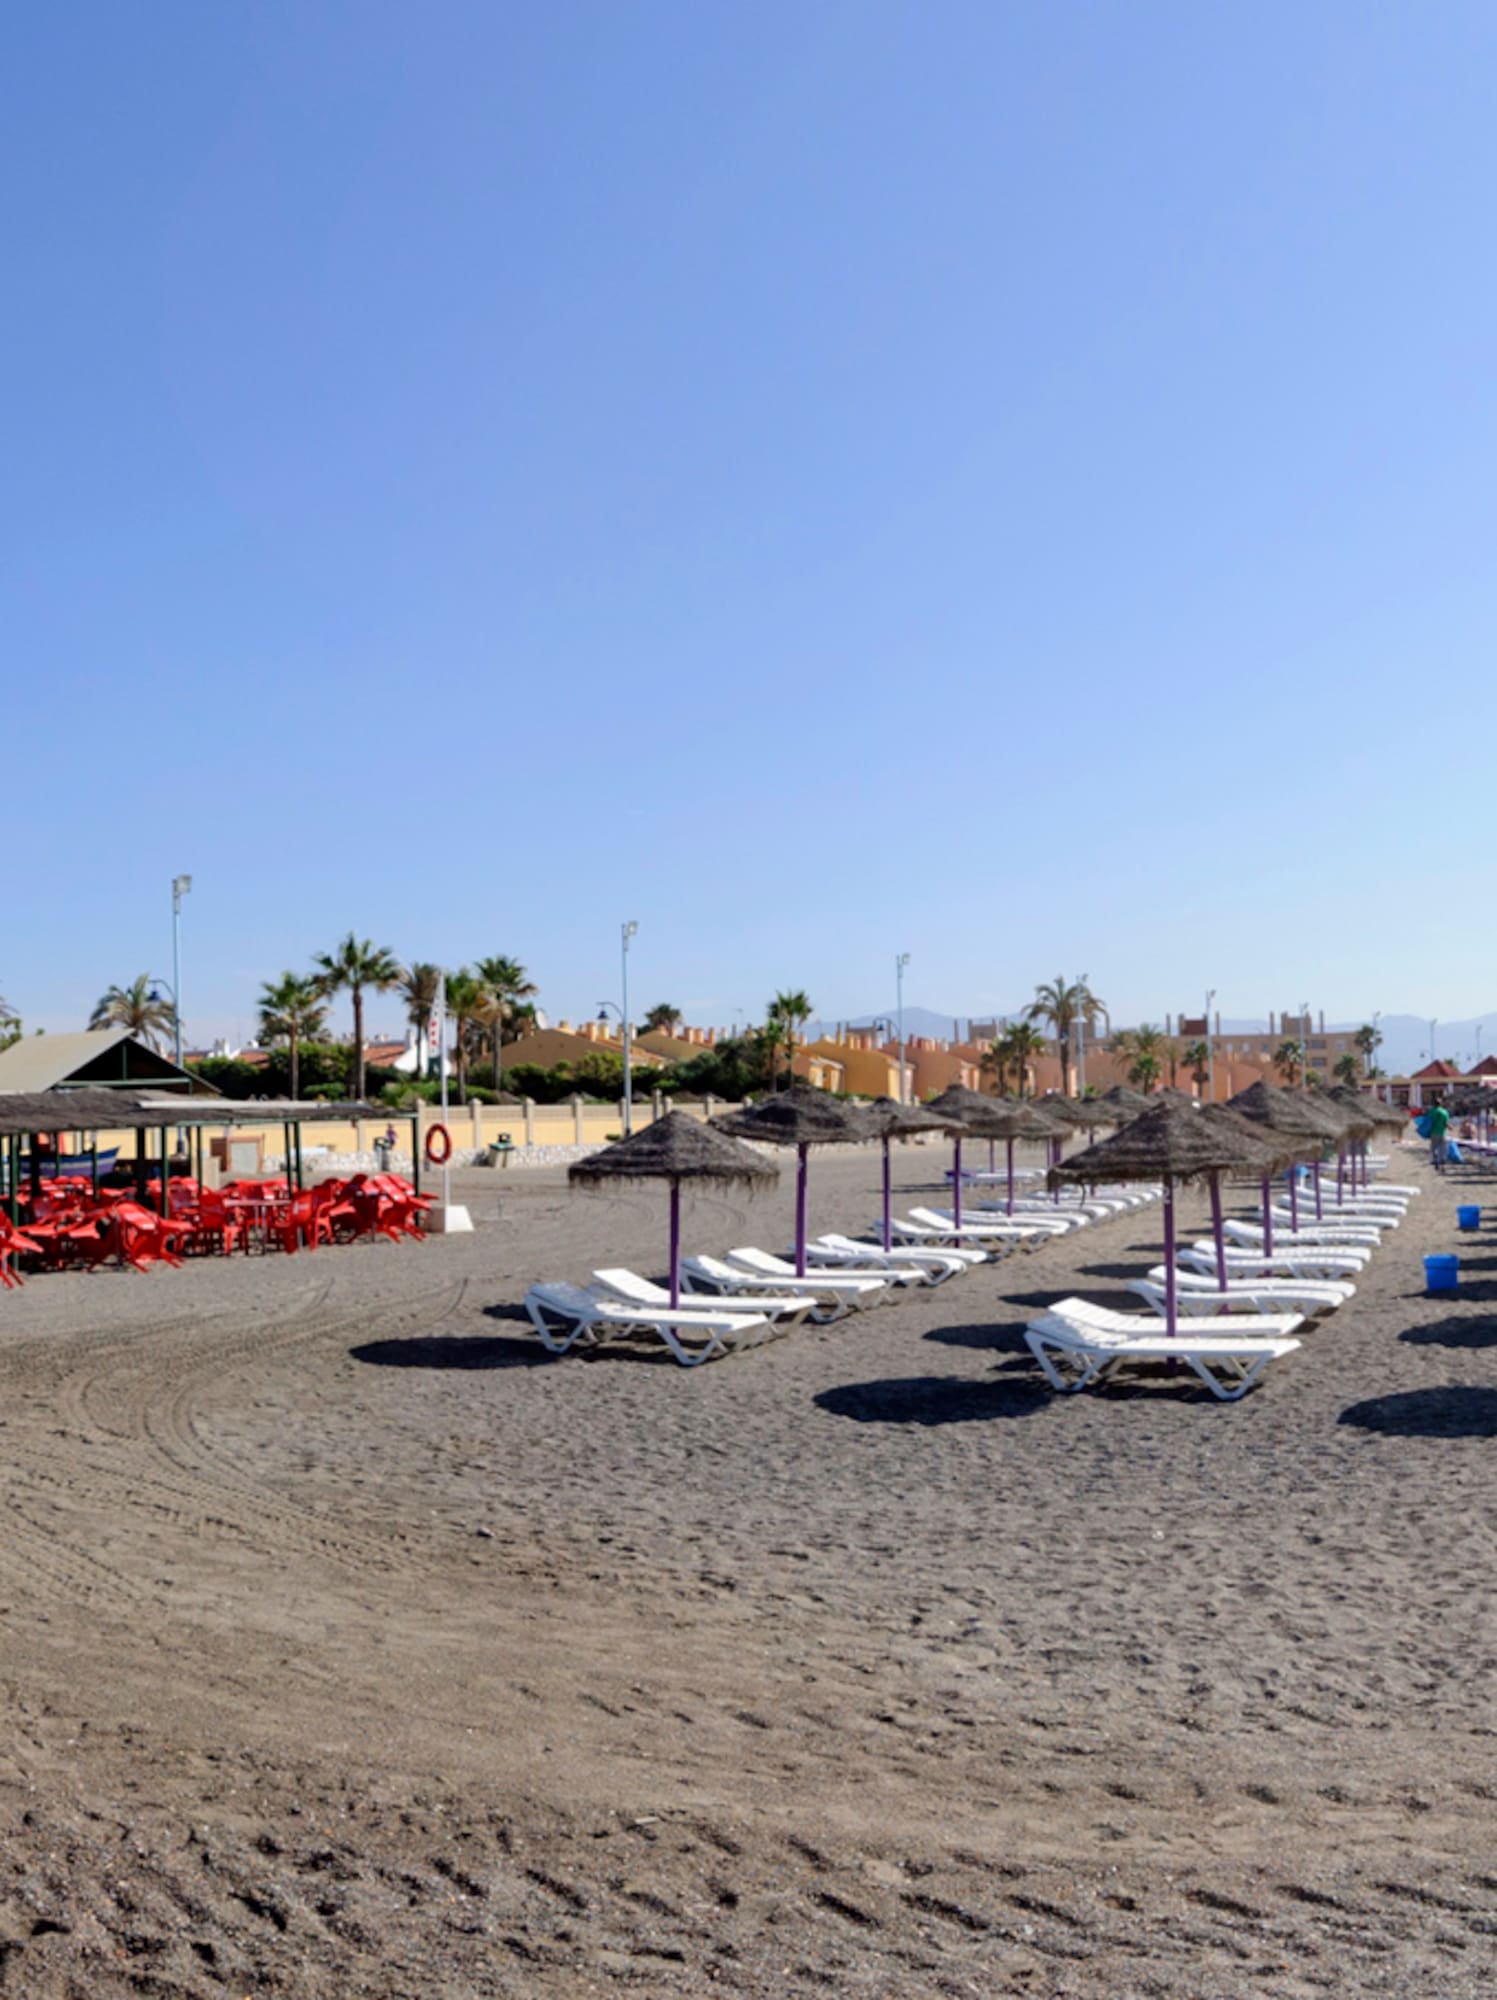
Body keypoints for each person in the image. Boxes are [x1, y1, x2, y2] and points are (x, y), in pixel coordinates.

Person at [1427, 1097, 1451, 1172]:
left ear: (1434, 1104)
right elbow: (1446, 1123)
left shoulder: (1431, 1112)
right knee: (1443, 1149)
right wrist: (1450, 1128)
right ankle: (1443, 1164)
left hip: (1434, 1132)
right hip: (1443, 1133)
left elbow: (1427, 1122)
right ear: (1441, 1104)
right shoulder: (1445, 1112)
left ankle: (1436, 1162)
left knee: (1434, 1148)